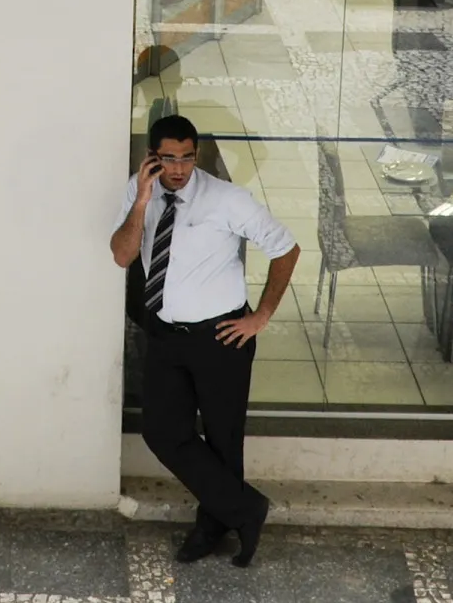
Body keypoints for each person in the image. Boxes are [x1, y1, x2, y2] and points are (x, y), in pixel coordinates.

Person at [111, 114, 300, 569]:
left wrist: (261, 317)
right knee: (162, 431)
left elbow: (286, 248)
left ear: (196, 155)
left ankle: (210, 528)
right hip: (166, 335)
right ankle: (246, 509)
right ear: (153, 157)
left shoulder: (226, 199)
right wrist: (140, 202)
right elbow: (122, 255)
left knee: (222, 440)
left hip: (221, 337)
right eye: (169, 159)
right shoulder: (141, 194)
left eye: (187, 158)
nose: (178, 168)